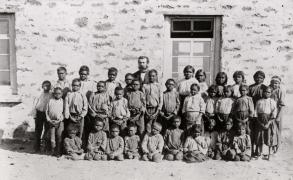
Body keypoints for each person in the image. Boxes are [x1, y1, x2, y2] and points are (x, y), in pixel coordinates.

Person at [254, 86, 278, 159]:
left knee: (269, 136)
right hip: (260, 121)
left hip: (269, 121)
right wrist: (260, 123)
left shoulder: (273, 102)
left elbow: (274, 114)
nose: (267, 93)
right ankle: (259, 153)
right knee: (259, 136)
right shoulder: (259, 101)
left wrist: (268, 123)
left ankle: (269, 154)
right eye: (265, 92)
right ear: (263, 92)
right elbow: (255, 113)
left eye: (269, 92)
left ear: (271, 93)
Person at [32, 80, 52, 152]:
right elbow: (34, 105)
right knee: (38, 130)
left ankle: (47, 147)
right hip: (39, 113)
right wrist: (34, 114)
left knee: (47, 130)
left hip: (47, 114)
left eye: (48, 86)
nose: (46, 87)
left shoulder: (51, 95)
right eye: (45, 85)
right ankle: (37, 147)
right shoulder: (39, 94)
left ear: (50, 87)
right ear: (42, 86)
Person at [45, 87, 64, 156]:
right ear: (53, 94)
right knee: (52, 137)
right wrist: (49, 120)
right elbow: (46, 111)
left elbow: (64, 112)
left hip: (59, 122)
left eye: (59, 93)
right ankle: (52, 150)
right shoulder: (50, 101)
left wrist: (59, 120)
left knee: (59, 136)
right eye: (56, 93)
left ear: (62, 94)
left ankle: (58, 151)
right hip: (51, 121)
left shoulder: (62, 101)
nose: (57, 95)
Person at [269, 76, 286, 152]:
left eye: (276, 83)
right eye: (273, 83)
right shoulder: (270, 90)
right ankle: (272, 146)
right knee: (271, 130)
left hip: (278, 112)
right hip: (271, 112)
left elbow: (282, 105)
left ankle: (277, 148)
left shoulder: (280, 91)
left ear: (279, 84)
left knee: (278, 130)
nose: (274, 85)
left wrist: (278, 116)